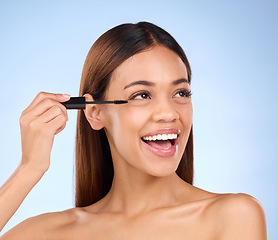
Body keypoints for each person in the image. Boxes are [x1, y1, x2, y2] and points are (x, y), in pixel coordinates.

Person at [0, 22, 267, 239]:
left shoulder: (233, 216)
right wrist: (29, 168)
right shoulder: (49, 233)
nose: (169, 113)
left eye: (181, 92)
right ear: (95, 112)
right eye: (141, 95)